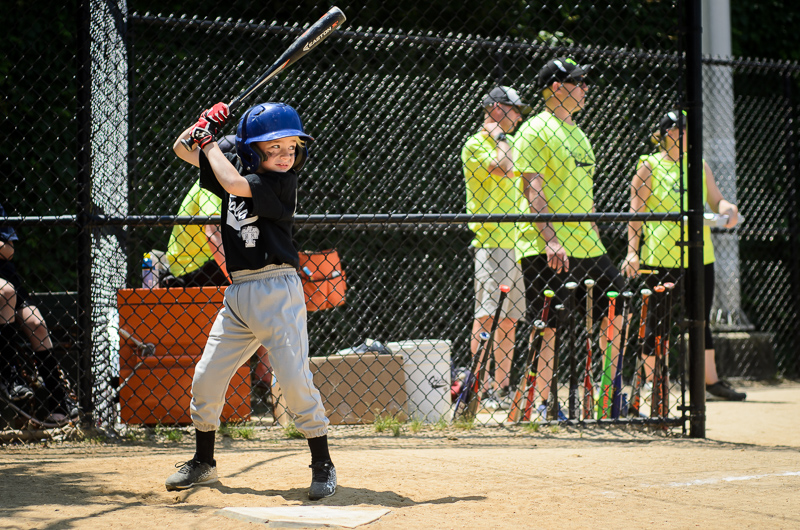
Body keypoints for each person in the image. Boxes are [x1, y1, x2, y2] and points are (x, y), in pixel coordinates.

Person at [167, 101, 336, 499]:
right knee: (206, 378)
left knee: (295, 382)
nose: (284, 155)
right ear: (251, 150)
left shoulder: (281, 183)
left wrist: (210, 140)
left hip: (277, 290)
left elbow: (230, 183)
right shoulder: (236, 167)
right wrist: (203, 123)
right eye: (273, 148)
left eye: (291, 147)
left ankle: (323, 464)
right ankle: (203, 461)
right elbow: (180, 148)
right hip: (239, 294)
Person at [513, 57, 626, 418]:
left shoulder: (579, 134)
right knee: (549, 324)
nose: (585, 88)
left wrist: (595, 238)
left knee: (618, 301)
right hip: (545, 242)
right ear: (557, 87)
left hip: (585, 242)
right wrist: (550, 238)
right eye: (579, 82)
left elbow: (586, 197)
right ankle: (542, 402)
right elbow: (534, 190)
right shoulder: (533, 129)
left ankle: (609, 394)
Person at [622, 110, 746, 401]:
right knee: (657, 320)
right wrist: (631, 251)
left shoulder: (699, 165)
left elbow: (716, 199)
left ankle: (711, 383)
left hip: (700, 257)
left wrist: (728, 208)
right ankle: (653, 385)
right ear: (668, 133)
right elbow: (635, 213)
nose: (688, 135)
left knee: (700, 319)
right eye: (683, 129)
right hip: (660, 257)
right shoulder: (648, 166)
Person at [461, 86, 530, 409]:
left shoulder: (512, 143)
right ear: (496, 109)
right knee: (487, 316)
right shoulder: (475, 145)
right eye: (514, 110)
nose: (518, 116)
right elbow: (502, 167)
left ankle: (500, 389)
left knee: (510, 320)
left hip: (516, 243)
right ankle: (479, 386)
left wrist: (504, 140)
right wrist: (500, 139)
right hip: (491, 243)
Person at [0, 202, 80, 423]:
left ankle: (59, 402)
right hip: (4, 290)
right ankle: (9, 376)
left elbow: (8, 251)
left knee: (37, 324)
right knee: (5, 292)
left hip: (5, 278)